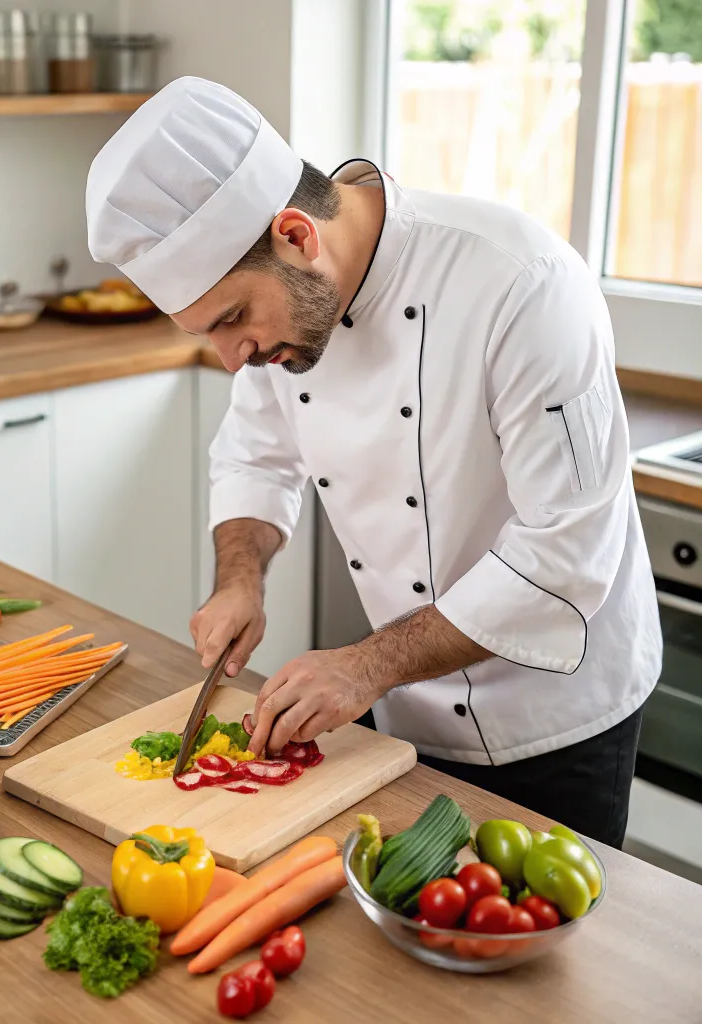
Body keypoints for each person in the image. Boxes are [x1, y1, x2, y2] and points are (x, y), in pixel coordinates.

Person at [85, 76, 662, 847]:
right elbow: (256, 457)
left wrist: (363, 667)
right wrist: (240, 581)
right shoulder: (287, 318)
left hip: (556, 714)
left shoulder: (522, 283)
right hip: (404, 716)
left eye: (232, 319)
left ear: (295, 234)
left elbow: (565, 551)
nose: (233, 360)